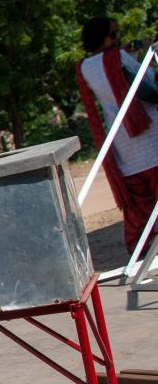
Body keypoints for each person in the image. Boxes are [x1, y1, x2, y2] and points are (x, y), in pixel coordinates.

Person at [76, 17, 158, 252]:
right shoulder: (117, 57)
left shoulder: (84, 68)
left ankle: (140, 246)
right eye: (113, 35)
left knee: (139, 203)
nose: (117, 38)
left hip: (122, 144)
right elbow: (146, 83)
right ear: (100, 38)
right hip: (149, 133)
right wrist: (147, 59)